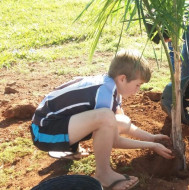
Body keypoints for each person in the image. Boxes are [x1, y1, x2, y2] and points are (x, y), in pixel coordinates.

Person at [30, 49, 174, 190]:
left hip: (55, 123)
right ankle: (103, 174)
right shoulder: (104, 92)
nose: (138, 90)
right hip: (44, 132)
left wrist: (152, 138)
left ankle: (71, 149)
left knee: (119, 120)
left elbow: (124, 126)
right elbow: (115, 140)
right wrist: (151, 146)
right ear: (122, 78)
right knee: (106, 117)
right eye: (137, 85)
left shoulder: (111, 87)